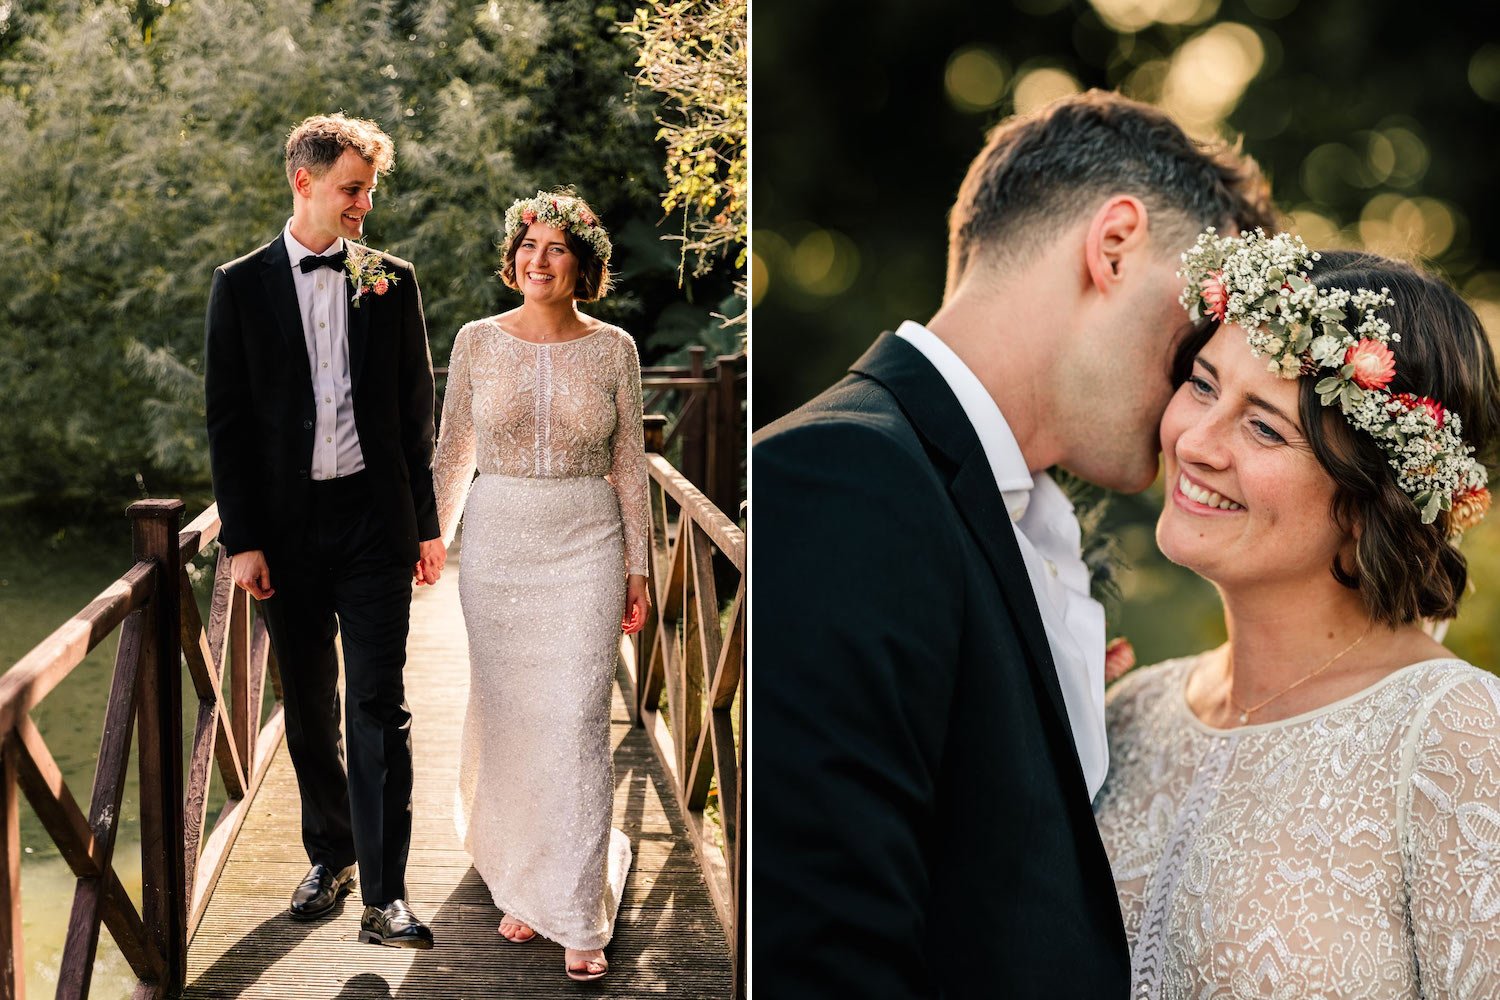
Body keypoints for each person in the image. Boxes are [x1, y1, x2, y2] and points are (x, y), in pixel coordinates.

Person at [752, 89, 1275, 997]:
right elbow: (822, 952)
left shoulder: (1007, 521)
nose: (1197, 397)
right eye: (1197, 332)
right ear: (1114, 245)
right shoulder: (842, 477)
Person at [1094, 231, 1500, 998]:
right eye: (1205, 386)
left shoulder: (1455, 738)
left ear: (1370, 500)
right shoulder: (1133, 714)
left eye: (1265, 427)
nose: (1197, 442)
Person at [204, 113, 444, 948]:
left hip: (375, 526)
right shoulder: (239, 285)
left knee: (380, 703)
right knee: (308, 708)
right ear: (302, 181)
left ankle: (387, 896)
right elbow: (226, 423)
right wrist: (242, 539)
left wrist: (425, 525)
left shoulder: (391, 279)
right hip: (286, 533)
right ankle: (331, 853)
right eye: (352, 188)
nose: (364, 205)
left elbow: (417, 412)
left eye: (370, 190)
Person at [431, 190, 650, 983]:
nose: (538, 258)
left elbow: (630, 464)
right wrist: (431, 541)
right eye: (528, 244)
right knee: (517, 717)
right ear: (511, 257)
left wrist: (638, 566)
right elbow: (453, 449)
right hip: (499, 542)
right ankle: (525, 878)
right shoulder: (476, 341)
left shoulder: (616, 348)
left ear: (582, 262)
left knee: (577, 718)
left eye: (557, 247)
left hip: (587, 536)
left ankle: (577, 908)